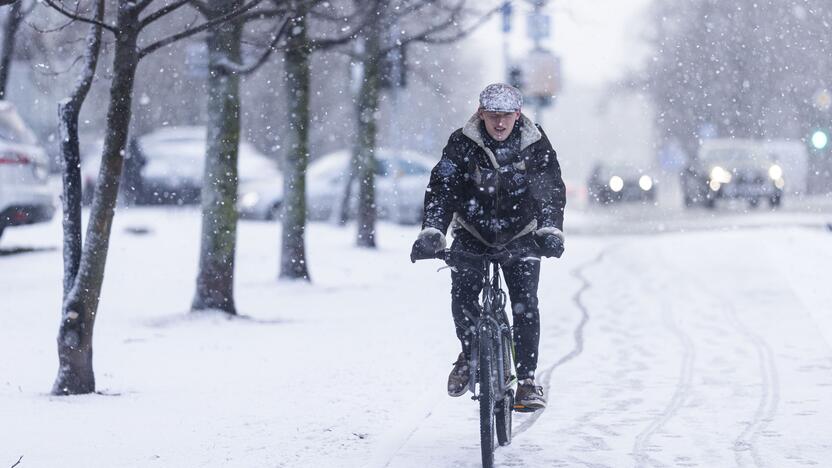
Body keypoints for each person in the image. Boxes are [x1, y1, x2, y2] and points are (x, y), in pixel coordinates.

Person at [410, 83, 566, 411]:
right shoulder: (462, 143)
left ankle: (525, 381)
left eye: (506, 117)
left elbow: (548, 188)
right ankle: (469, 355)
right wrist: (433, 231)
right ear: (481, 114)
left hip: (521, 232)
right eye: (493, 116)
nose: (499, 124)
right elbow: (443, 188)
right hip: (472, 231)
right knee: (463, 294)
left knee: (525, 303)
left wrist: (550, 229)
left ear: (517, 115)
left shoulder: (534, 143)